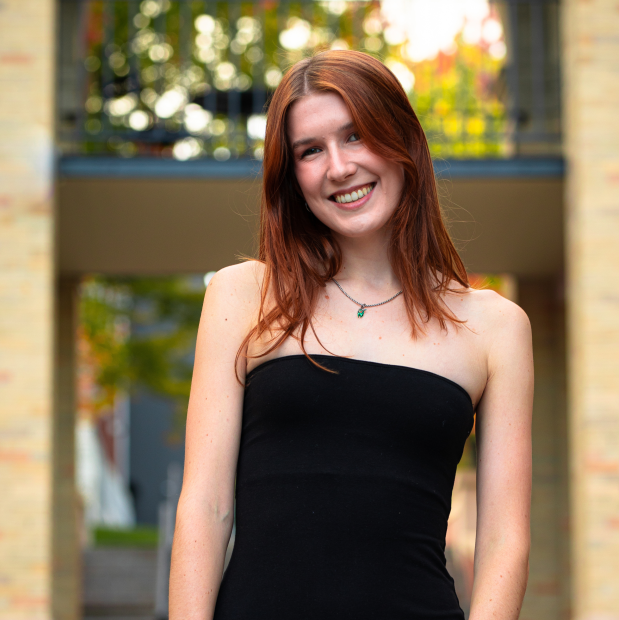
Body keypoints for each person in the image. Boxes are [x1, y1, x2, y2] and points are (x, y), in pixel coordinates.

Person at [169, 50, 533, 620]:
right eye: (310, 151)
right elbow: (206, 507)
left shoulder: (495, 327)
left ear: (402, 141)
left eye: (356, 135)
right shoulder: (243, 296)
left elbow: (503, 537)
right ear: (292, 176)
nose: (338, 167)